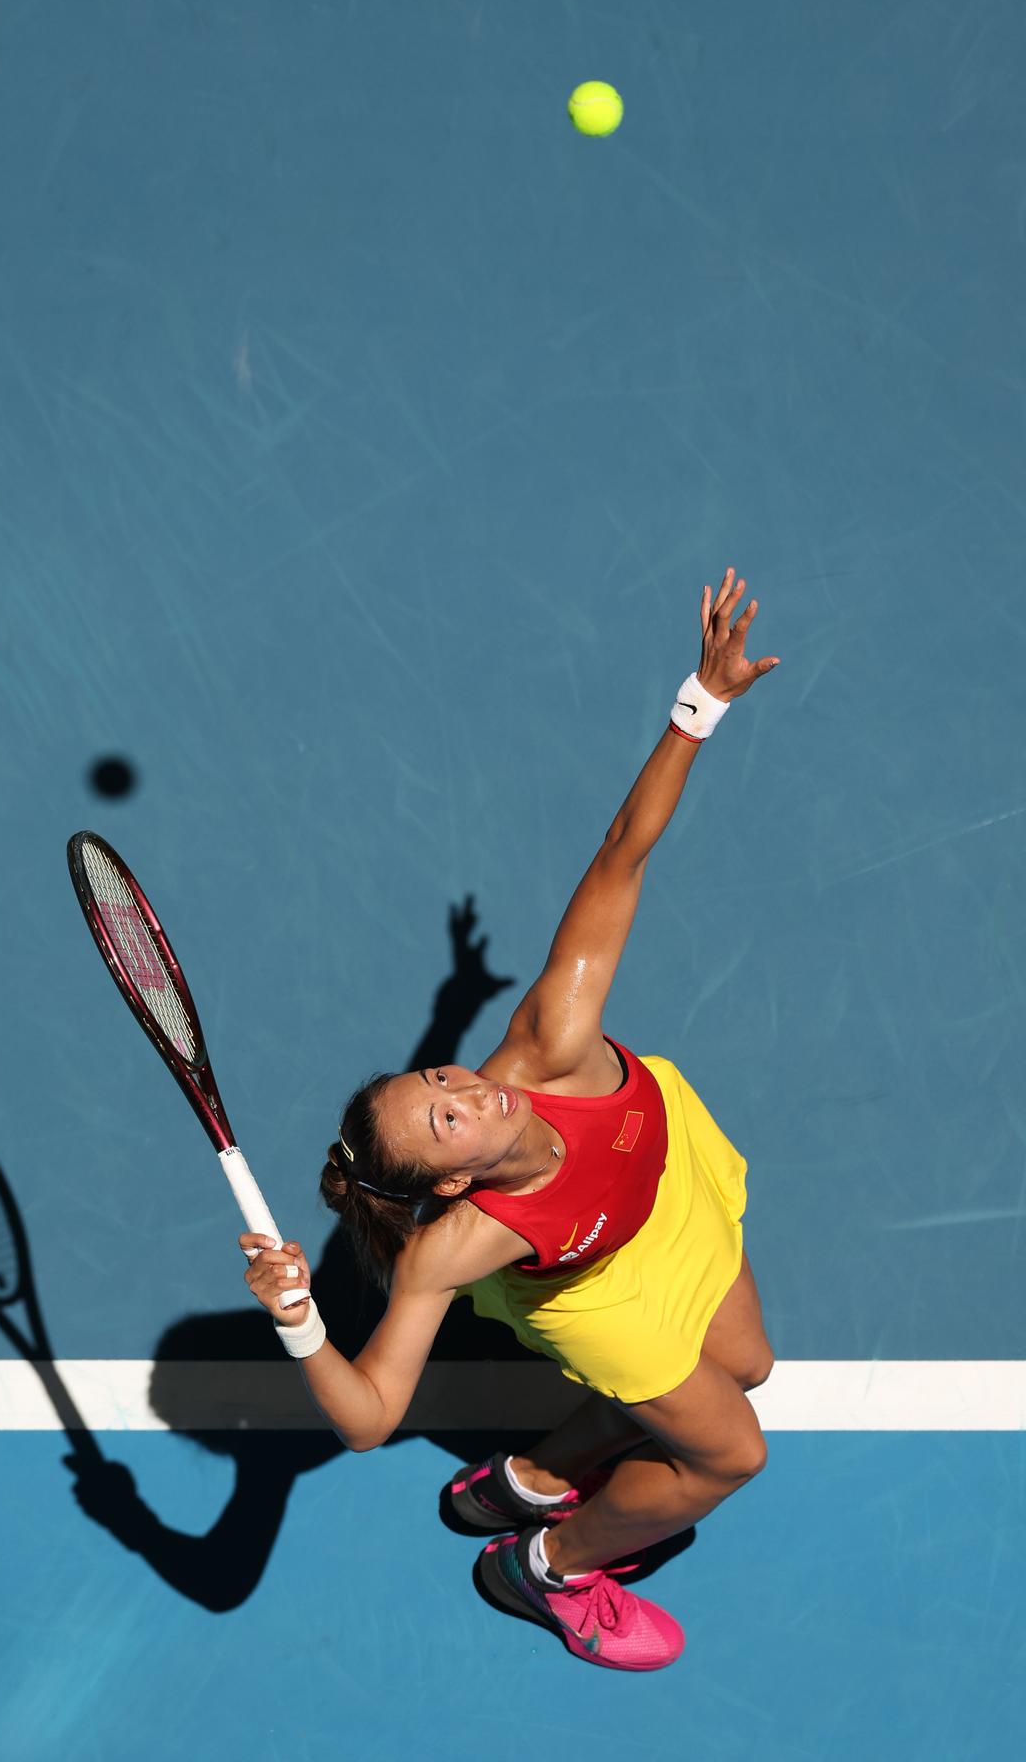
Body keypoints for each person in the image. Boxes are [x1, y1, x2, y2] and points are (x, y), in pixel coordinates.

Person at [241, 567, 780, 1672]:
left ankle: (529, 1477)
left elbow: (622, 854)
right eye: (443, 1122)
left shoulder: (552, 1044)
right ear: (451, 1185)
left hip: (666, 1177)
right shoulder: (457, 1243)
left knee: (750, 1362)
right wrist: (299, 1317)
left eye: (439, 1076)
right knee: (731, 1452)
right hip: (599, 1286)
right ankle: (547, 1566)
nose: (465, 1092)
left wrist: (701, 702)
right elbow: (367, 1418)